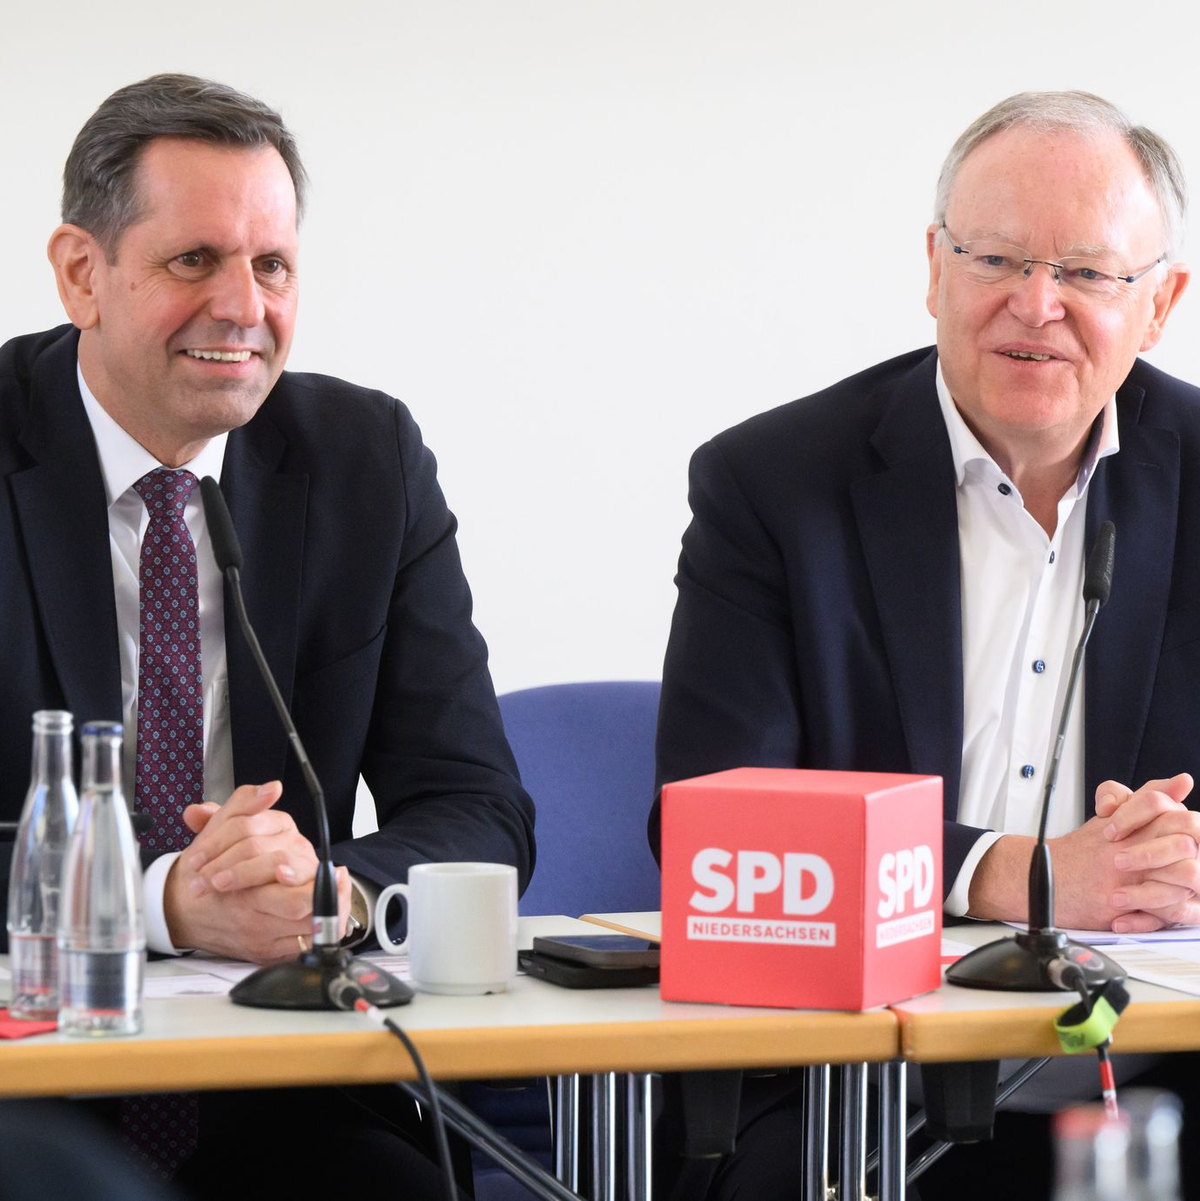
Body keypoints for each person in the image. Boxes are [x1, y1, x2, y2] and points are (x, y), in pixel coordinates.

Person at [651, 90, 1200, 1199]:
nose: (1034, 305)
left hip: (1162, 1070)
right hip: (858, 1085)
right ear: (935, 268)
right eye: (995, 256)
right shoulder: (774, 485)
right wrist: (1029, 876)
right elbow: (711, 823)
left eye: (1088, 274)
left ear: (1159, 306)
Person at [0, 73, 534, 1196]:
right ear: (81, 273)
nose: (245, 306)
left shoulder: (363, 457)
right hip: (23, 1073)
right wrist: (158, 903)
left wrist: (326, 891)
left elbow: (479, 807)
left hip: (285, 1077)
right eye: (196, 259)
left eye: (273, 264)